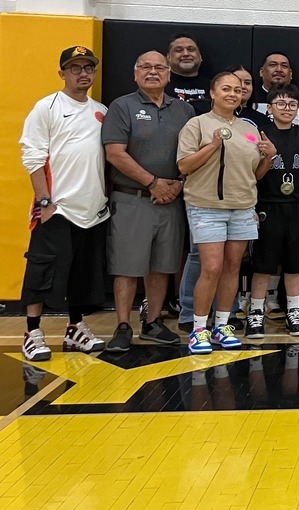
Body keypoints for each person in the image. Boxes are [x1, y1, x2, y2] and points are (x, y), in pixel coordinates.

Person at [177, 71, 278, 354]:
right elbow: (184, 166)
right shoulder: (196, 124)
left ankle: (222, 325)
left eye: (237, 89)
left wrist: (270, 156)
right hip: (206, 207)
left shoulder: (249, 129)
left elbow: (256, 174)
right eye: (226, 89)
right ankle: (199, 329)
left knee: (233, 267)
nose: (233, 94)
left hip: (243, 207)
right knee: (211, 268)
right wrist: (212, 146)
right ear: (212, 93)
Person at [18, 46, 109, 361]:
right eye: (75, 68)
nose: (83, 73)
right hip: (57, 207)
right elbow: (33, 156)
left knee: (83, 273)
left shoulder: (102, 111)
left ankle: (75, 328)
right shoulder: (47, 107)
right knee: (41, 270)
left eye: (88, 68)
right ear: (62, 73)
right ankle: (32, 332)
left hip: (93, 209)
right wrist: (45, 200)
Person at [102, 50, 193, 352]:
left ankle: (153, 322)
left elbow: (193, 153)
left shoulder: (184, 110)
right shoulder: (122, 106)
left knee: (162, 265)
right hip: (133, 198)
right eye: (145, 67)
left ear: (169, 74)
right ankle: (123, 326)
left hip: (171, 199)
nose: (153, 72)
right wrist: (152, 182)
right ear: (135, 73)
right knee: (127, 266)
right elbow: (115, 153)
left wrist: (179, 184)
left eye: (159, 68)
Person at [245, 84, 299, 338]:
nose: (287, 109)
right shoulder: (258, 135)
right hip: (268, 205)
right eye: (281, 104)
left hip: (298, 206)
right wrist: (269, 158)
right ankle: (256, 312)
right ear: (269, 108)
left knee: (294, 263)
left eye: (292, 104)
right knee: (263, 264)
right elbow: (254, 175)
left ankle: (294, 312)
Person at [167, 34, 209, 104]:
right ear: (168, 57)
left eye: (191, 50)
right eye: (179, 50)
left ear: (200, 56)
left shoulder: (214, 86)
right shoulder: (160, 85)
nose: (185, 54)